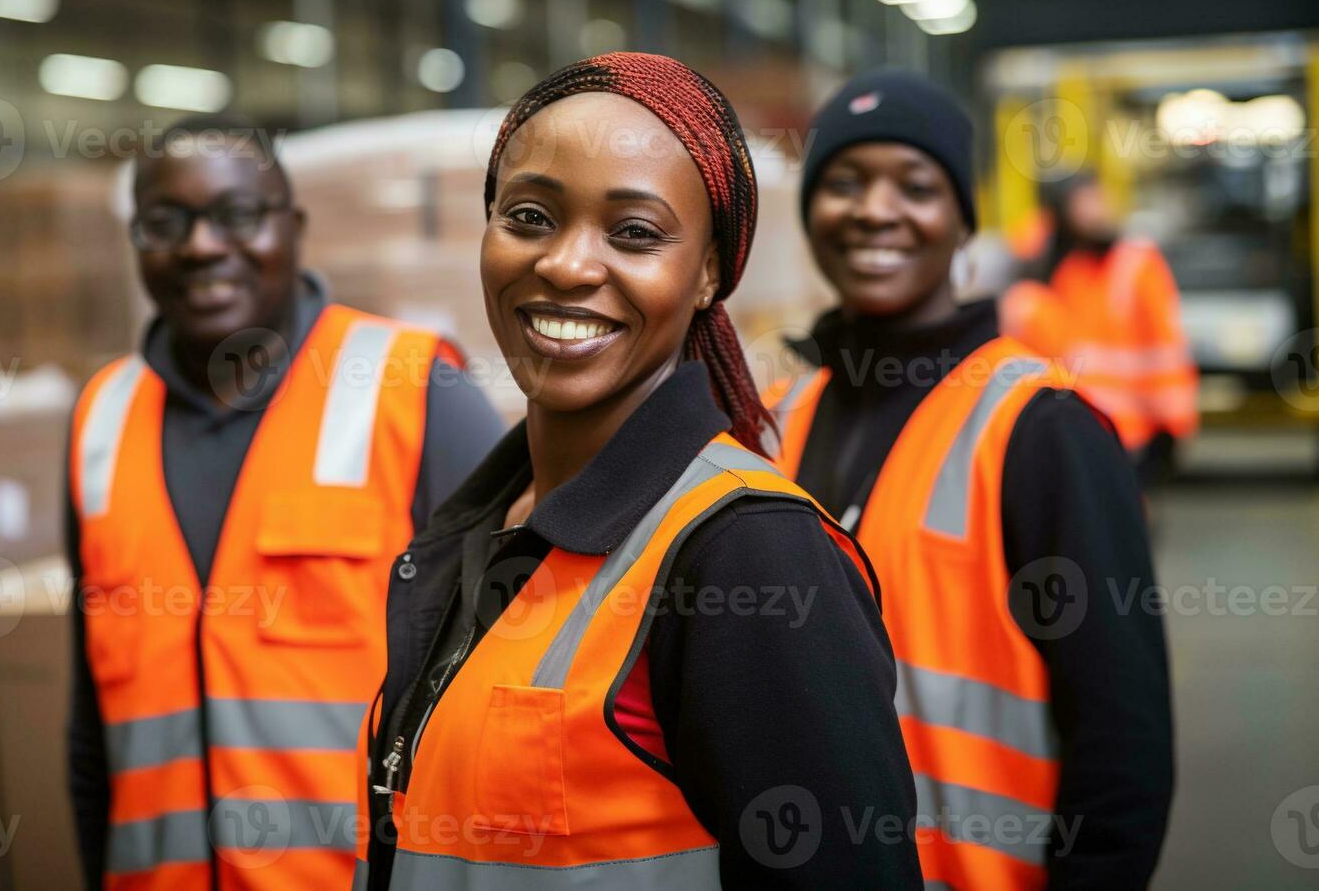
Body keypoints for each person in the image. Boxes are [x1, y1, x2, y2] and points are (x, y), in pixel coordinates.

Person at [353, 53, 922, 890]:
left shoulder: (750, 557)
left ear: (710, 275)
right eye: (530, 216)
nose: (568, 265)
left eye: (635, 233)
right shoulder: (484, 524)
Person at [65, 116, 503, 889]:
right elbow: (91, 730)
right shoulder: (100, 422)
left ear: (293, 228)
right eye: (167, 222)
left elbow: (503, 699)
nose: (202, 245)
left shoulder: (415, 393)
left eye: (237, 215)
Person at [763, 70, 1174, 889]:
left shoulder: (1039, 429)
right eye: (844, 182)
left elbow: (1122, 747)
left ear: (962, 223)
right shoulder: (782, 418)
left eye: (915, 186)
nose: (875, 209)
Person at [1002, 173, 1199, 483]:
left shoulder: (1134, 263)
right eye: (1084, 200)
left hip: (1128, 435)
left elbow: (1166, 350)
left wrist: (1173, 424)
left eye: (1097, 199)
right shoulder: (1048, 271)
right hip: (1062, 432)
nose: (1095, 210)